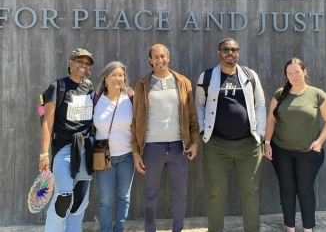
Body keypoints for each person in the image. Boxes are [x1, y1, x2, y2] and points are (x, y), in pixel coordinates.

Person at [195, 38, 266, 232]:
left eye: (234, 49)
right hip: (217, 145)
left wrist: (259, 134)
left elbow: (260, 104)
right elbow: (199, 105)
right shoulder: (207, 77)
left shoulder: (250, 76)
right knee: (216, 192)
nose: (230, 52)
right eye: (226, 49)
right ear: (219, 53)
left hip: (249, 145)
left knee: (251, 191)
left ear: (238, 52)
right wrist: (203, 130)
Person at [131, 44, 200, 232]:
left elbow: (192, 115)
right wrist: (136, 152)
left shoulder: (182, 82)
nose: (160, 60)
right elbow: (135, 120)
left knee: (181, 194)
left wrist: (194, 142)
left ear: (168, 58)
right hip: (152, 148)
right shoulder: (142, 84)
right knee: (150, 194)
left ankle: (177, 229)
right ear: (150, 60)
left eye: (163, 56)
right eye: (156, 57)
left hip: (179, 147)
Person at [263, 58, 326, 232]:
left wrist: (319, 142)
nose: (293, 76)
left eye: (297, 72)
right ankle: (290, 227)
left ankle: (308, 228)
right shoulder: (280, 94)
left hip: (308, 153)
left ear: (305, 72)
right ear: (286, 75)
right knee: (287, 190)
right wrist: (266, 143)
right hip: (281, 151)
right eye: (290, 73)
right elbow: (271, 120)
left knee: (305, 190)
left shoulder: (317, 94)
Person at [39, 48, 95, 232]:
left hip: (86, 149)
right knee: (63, 196)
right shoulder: (58, 86)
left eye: (87, 63)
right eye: (80, 61)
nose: (84, 66)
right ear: (71, 62)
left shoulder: (89, 87)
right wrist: (44, 154)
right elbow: (47, 122)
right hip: (64, 149)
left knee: (79, 200)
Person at [93, 61, 135, 232]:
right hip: (102, 156)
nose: (118, 78)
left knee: (124, 197)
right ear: (105, 78)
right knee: (105, 200)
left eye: (121, 75)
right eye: (114, 75)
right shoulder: (95, 99)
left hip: (127, 156)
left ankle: (119, 229)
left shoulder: (130, 97)